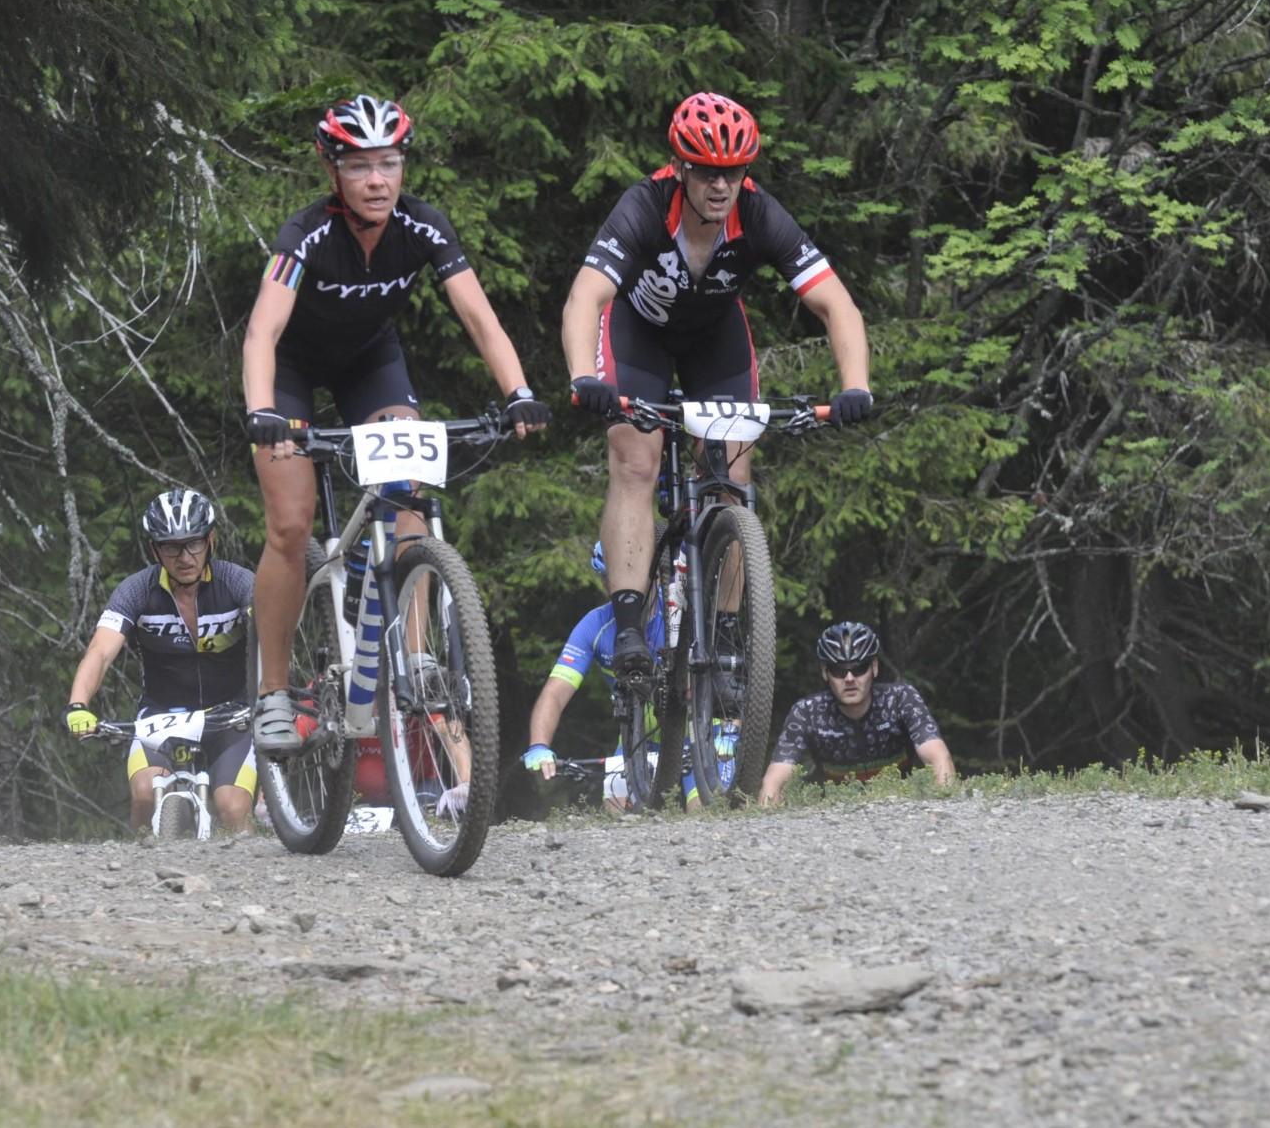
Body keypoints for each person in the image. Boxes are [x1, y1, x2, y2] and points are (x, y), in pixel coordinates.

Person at [245, 93, 550, 753]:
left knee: (408, 492)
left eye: (388, 163)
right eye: (359, 166)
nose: (377, 180)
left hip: (368, 363)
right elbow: (263, 331)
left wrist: (519, 391)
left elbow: (479, 318)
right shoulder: (305, 235)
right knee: (290, 525)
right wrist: (262, 410)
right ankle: (272, 692)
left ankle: (416, 657)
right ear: (332, 171)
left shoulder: (424, 226)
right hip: (290, 368)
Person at [560, 92, 873, 686]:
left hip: (713, 339)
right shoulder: (645, 206)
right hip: (638, 334)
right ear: (680, 168)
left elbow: (837, 304)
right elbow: (586, 297)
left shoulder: (759, 213)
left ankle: (725, 635)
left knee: (732, 478)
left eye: (734, 171)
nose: (721, 185)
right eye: (707, 171)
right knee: (636, 460)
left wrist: (855, 385)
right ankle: (629, 627)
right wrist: (584, 376)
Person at [62, 489, 257, 833]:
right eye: (171, 547)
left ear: (210, 541)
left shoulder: (237, 582)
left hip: (230, 715)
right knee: (145, 795)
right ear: (155, 550)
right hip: (161, 716)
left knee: (233, 807)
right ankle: (140, 859)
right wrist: (78, 704)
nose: (184, 557)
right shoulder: (136, 590)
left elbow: (271, 633)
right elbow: (101, 651)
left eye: (193, 544)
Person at [521, 541, 727, 809]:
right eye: (611, 578)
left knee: (705, 811)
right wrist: (539, 745)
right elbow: (554, 694)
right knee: (615, 808)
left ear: (653, 574)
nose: (621, 584)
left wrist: (731, 729)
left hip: (699, 734)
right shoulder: (594, 626)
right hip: (639, 742)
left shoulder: (679, 611)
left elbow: (727, 674)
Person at [758, 621, 954, 807]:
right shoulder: (807, 712)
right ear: (825, 672)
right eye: (838, 671)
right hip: (835, 815)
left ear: (874, 667)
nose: (850, 679)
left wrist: (941, 813)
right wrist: (768, 822)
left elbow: (938, 757)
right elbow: (775, 779)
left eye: (859, 668)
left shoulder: (900, 699)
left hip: (901, 806)